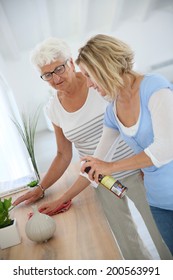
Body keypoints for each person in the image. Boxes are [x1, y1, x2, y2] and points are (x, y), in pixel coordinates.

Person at [13, 38, 172, 260]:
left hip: (139, 172)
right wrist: (43, 189)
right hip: (103, 180)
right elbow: (64, 154)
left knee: (161, 236)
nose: (55, 78)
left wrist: (137, 164)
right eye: (47, 74)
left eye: (58, 68)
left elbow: (154, 136)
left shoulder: (104, 86)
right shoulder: (55, 108)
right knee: (126, 241)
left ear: (71, 63)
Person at [76, 34, 173, 256]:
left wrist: (109, 167)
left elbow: (167, 147)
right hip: (159, 204)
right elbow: (97, 162)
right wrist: (67, 196)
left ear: (104, 66)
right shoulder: (112, 110)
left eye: (89, 75)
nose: (89, 84)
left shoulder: (154, 86)